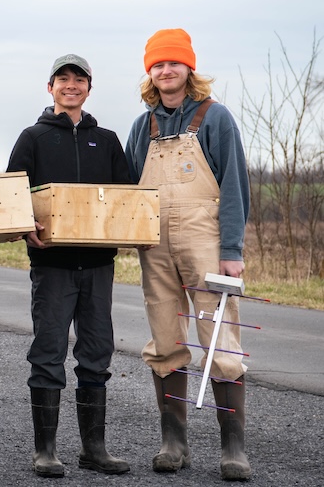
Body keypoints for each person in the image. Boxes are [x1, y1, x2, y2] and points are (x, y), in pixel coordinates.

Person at [125, 28, 251, 481]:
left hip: (207, 244)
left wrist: (231, 250)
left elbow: (235, 186)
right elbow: (127, 193)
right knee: (164, 340)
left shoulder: (215, 118)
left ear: (188, 68)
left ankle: (233, 448)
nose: (165, 70)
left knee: (219, 340)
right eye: (158, 64)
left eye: (173, 63)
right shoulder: (143, 127)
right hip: (154, 245)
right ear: (150, 73)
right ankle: (173, 441)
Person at [6, 54, 131, 478]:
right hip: (52, 266)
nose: (71, 85)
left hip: (98, 266)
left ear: (89, 89)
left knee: (96, 353)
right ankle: (46, 451)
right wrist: (26, 230)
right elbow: (13, 199)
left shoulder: (108, 140)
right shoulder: (33, 138)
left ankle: (93, 449)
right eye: (63, 79)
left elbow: (128, 200)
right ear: (50, 87)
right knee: (48, 352)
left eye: (79, 80)